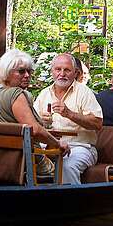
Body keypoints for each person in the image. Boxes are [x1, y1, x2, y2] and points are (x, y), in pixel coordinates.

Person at [0, 49, 68, 168]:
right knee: (66, 165)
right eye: (21, 71)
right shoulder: (16, 94)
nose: (27, 75)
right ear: (7, 73)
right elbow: (34, 130)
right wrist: (57, 143)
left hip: (4, 158)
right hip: (25, 163)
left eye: (29, 71)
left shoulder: (0, 93)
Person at [34, 53, 103, 184]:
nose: (62, 74)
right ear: (52, 71)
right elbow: (32, 122)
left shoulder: (84, 92)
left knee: (67, 166)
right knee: (28, 160)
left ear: (75, 72)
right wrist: (41, 121)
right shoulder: (44, 94)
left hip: (79, 147)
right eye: (58, 69)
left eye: (67, 70)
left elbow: (97, 123)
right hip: (48, 146)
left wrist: (69, 114)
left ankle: (70, 198)